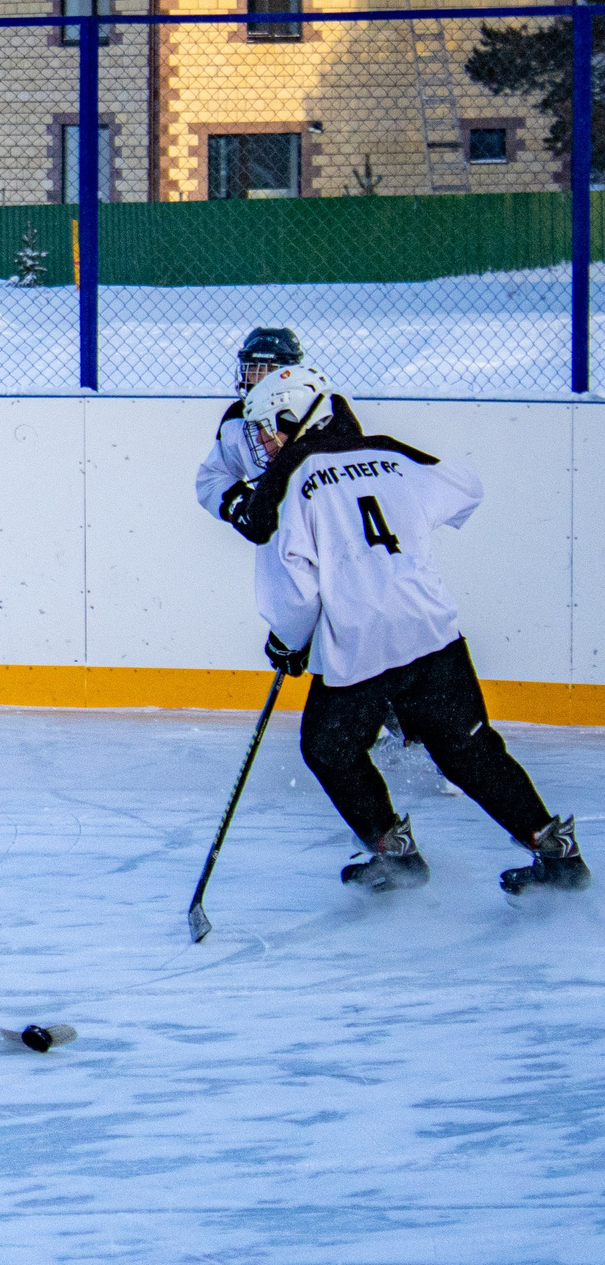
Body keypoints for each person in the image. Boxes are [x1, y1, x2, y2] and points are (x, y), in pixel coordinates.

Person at [238, 367, 585, 896]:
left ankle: (393, 854)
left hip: (362, 647)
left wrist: (286, 643)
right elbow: (467, 489)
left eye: (269, 427)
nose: (265, 441)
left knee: (328, 748)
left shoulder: (289, 482)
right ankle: (555, 852)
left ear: (297, 413)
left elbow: (293, 591)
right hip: (431, 632)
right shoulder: (391, 455)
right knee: (469, 752)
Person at [197, 326, 303, 540]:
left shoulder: (318, 409)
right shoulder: (237, 418)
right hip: (277, 541)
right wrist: (242, 504)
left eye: (269, 370)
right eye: (252, 369)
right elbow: (211, 477)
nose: (258, 379)